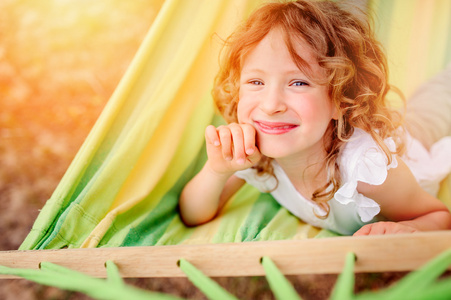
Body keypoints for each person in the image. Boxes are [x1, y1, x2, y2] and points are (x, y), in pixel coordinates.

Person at [179, 0, 451, 236]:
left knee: (441, 93)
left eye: (298, 83)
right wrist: (216, 171)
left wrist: (410, 229)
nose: (271, 105)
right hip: (378, 125)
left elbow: (439, 216)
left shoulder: (369, 171)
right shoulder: (254, 149)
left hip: (415, 139)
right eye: (256, 81)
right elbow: (194, 214)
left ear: (340, 101)